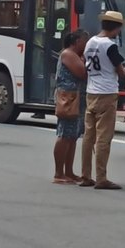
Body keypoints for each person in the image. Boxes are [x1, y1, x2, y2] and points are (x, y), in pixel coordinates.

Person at [80, 11, 125, 190]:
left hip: (91, 92)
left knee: (88, 137)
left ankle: (85, 175)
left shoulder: (90, 43)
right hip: (107, 93)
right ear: (115, 28)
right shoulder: (110, 46)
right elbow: (120, 70)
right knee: (103, 138)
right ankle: (101, 177)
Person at [52, 30, 89, 184]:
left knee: (73, 136)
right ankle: (58, 173)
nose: (86, 44)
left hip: (76, 97)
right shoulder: (68, 54)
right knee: (64, 134)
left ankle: (69, 171)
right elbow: (82, 73)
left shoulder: (76, 55)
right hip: (68, 98)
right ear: (76, 41)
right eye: (84, 41)